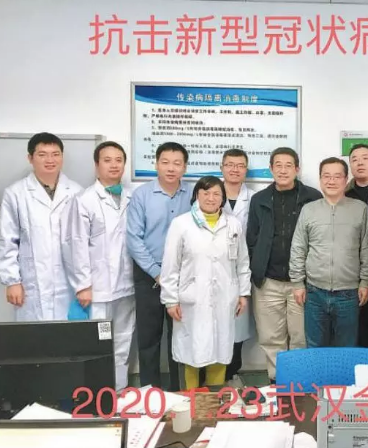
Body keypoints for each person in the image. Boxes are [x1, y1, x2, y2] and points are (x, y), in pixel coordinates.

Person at [161, 176, 251, 390]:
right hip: (192, 299)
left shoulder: (233, 224)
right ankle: (192, 399)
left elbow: (242, 261)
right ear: (197, 195)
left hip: (225, 297)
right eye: (206, 193)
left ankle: (215, 400)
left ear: (223, 198)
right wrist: (170, 300)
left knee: (221, 349)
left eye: (216, 194)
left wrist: (243, 293)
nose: (211, 198)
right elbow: (170, 265)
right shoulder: (181, 224)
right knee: (192, 352)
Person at [61, 141, 135, 391]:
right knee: (98, 342)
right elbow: (76, 244)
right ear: (96, 165)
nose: (114, 165)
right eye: (107, 160)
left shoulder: (131, 197)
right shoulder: (85, 200)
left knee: (123, 340)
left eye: (119, 160)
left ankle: (120, 391)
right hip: (98, 288)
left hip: (127, 286)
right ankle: (97, 395)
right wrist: (83, 285)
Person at [246, 147, 321, 382]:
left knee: (300, 337)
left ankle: (298, 384)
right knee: (271, 338)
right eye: (278, 165)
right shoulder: (259, 200)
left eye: (288, 165)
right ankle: (276, 382)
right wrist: (257, 268)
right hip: (268, 281)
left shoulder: (312, 197)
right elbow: (252, 239)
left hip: (302, 282)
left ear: (297, 169)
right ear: (271, 169)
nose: (283, 170)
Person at [127, 142, 193, 391]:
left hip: (184, 277)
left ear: (185, 167)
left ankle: (180, 392)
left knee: (180, 338)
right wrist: (157, 273)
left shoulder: (194, 194)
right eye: (165, 162)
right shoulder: (142, 195)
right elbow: (134, 239)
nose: (171, 168)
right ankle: (150, 394)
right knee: (149, 339)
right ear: (156, 164)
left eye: (177, 163)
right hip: (149, 275)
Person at [290, 157, 368, 348]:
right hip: (314, 292)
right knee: (315, 346)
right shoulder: (309, 210)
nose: (331, 181)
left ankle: (344, 372)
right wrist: (297, 283)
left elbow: (367, 248)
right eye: (326, 176)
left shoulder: (360, 209)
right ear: (320, 179)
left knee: (346, 347)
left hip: (349, 293)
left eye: (337, 176)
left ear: (346, 179)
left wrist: (365, 281)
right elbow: (298, 247)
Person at [0, 132, 82, 321]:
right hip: (31, 283)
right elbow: (7, 240)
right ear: (30, 158)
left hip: (69, 282)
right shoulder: (15, 193)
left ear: (62, 157)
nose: (50, 160)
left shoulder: (76, 192)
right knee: (35, 335)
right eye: (42, 154)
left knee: (68, 334)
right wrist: (12, 281)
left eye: (55, 154)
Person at [220, 149, 256, 384]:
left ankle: (232, 373)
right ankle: (213, 378)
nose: (234, 169)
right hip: (214, 270)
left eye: (240, 165)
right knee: (214, 326)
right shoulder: (210, 194)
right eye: (230, 165)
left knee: (239, 325)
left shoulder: (255, 198)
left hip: (243, 269)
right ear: (222, 167)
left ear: (246, 170)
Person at [345, 143, 368, 348]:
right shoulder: (344, 194)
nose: (359, 163)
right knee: (359, 326)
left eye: (365, 158)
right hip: (354, 270)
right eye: (354, 159)